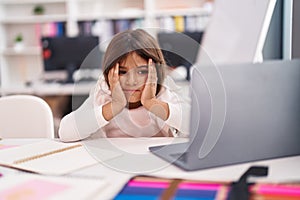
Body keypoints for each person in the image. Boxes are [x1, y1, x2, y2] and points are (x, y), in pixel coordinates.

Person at [58, 29, 190, 142]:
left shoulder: (163, 94)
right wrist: (114, 106)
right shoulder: (104, 95)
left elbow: (198, 126)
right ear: (109, 72)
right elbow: (65, 132)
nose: (131, 81)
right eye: (122, 71)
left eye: (141, 71)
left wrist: (152, 103)